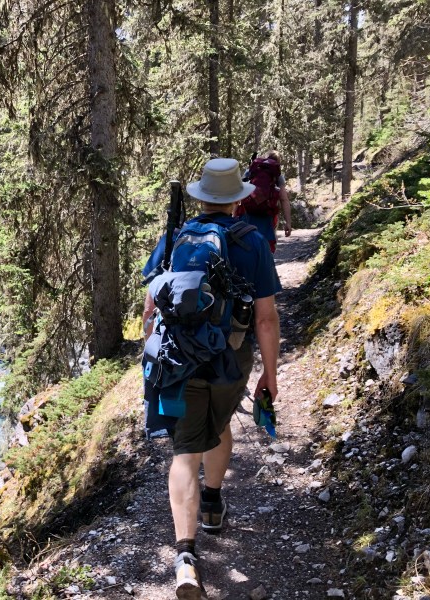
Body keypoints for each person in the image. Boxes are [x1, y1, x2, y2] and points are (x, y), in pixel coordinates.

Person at [141, 158, 282, 600]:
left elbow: (150, 310)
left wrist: (153, 360)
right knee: (218, 428)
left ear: (202, 197)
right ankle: (214, 504)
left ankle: (185, 557)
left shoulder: (174, 237)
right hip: (229, 359)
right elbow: (266, 319)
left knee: (185, 451)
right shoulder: (251, 241)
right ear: (238, 199)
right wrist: (269, 377)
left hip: (178, 363)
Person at [238, 150, 293, 253]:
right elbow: (284, 199)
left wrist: (233, 216)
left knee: (245, 247)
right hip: (267, 217)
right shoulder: (277, 175)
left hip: (246, 215)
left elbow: (240, 192)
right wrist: (288, 223)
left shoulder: (252, 170)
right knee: (265, 249)